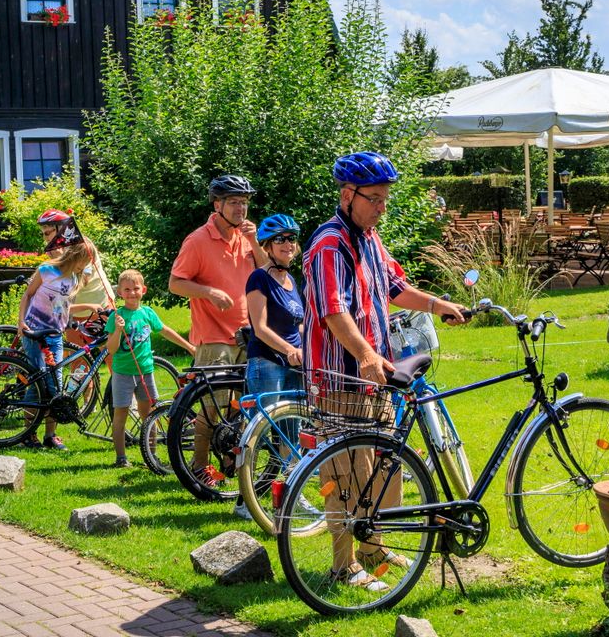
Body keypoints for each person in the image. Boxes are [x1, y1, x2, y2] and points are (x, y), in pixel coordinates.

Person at [302, 152, 468, 592]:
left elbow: (396, 287)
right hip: (341, 377)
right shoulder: (328, 245)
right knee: (344, 472)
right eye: (373, 198)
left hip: (375, 375)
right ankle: (343, 564)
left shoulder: (370, 239)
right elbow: (333, 313)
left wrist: (438, 304)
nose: (381, 207)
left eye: (384, 198)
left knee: (384, 466)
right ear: (347, 195)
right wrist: (366, 355)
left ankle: (372, 547)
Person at [168, 174, 268, 487]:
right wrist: (208, 292)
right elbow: (175, 283)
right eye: (235, 202)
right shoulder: (198, 240)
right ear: (218, 205)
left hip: (247, 334)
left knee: (241, 406)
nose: (241, 208)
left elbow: (268, 273)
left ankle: (230, 465)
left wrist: (254, 242)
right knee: (213, 407)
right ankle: (199, 467)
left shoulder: (246, 238)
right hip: (213, 336)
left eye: (245, 202)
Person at [18, 216, 100, 450]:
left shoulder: (75, 279)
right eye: (85, 261)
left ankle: (50, 435)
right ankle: (27, 434)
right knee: (37, 382)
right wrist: (20, 322)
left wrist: (88, 308)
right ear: (76, 258)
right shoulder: (46, 270)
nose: (87, 267)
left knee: (56, 385)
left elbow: (62, 306)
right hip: (34, 331)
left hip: (54, 334)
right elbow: (28, 295)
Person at [105, 269, 195, 468]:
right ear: (120, 292)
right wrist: (118, 330)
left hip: (145, 372)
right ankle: (121, 458)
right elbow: (111, 349)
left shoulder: (147, 313)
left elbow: (165, 331)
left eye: (136, 288)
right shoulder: (116, 317)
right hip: (122, 373)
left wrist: (188, 346)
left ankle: (151, 456)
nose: (132, 293)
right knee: (121, 414)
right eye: (126, 289)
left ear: (143, 290)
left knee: (150, 415)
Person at [244, 213, 305, 400]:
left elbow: (297, 324)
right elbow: (260, 328)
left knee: (291, 427)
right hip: (267, 362)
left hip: (294, 364)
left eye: (291, 238)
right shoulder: (259, 278)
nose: (288, 244)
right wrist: (290, 350)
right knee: (263, 425)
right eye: (280, 239)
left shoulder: (291, 281)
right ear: (268, 245)